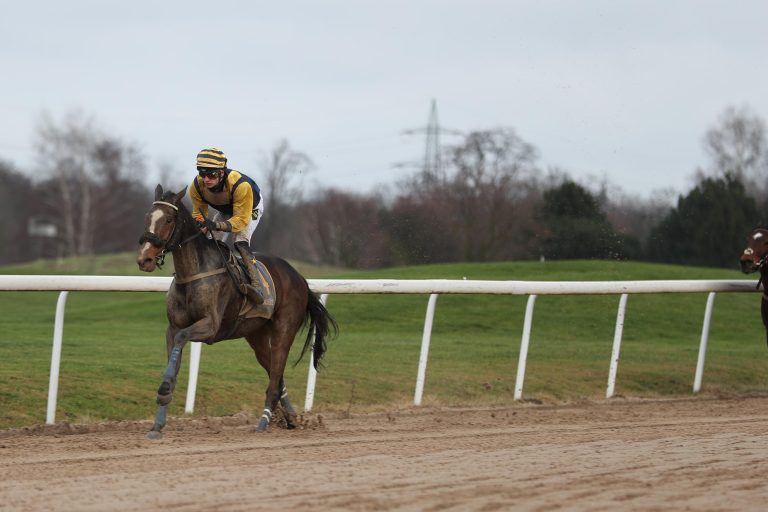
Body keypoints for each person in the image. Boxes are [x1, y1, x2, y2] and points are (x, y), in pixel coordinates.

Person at [189, 147, 265, 304]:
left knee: (240, 242)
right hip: (226, 209)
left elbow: (240, 221)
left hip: (249, 210)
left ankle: (257, 285)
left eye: (211, 174)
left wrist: (216, 224)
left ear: (222, 172)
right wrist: (200, 225)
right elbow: (198, 213)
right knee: (210, 242)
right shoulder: (196, 186)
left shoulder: (241, 185)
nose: (206, 179)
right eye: (202, 173)